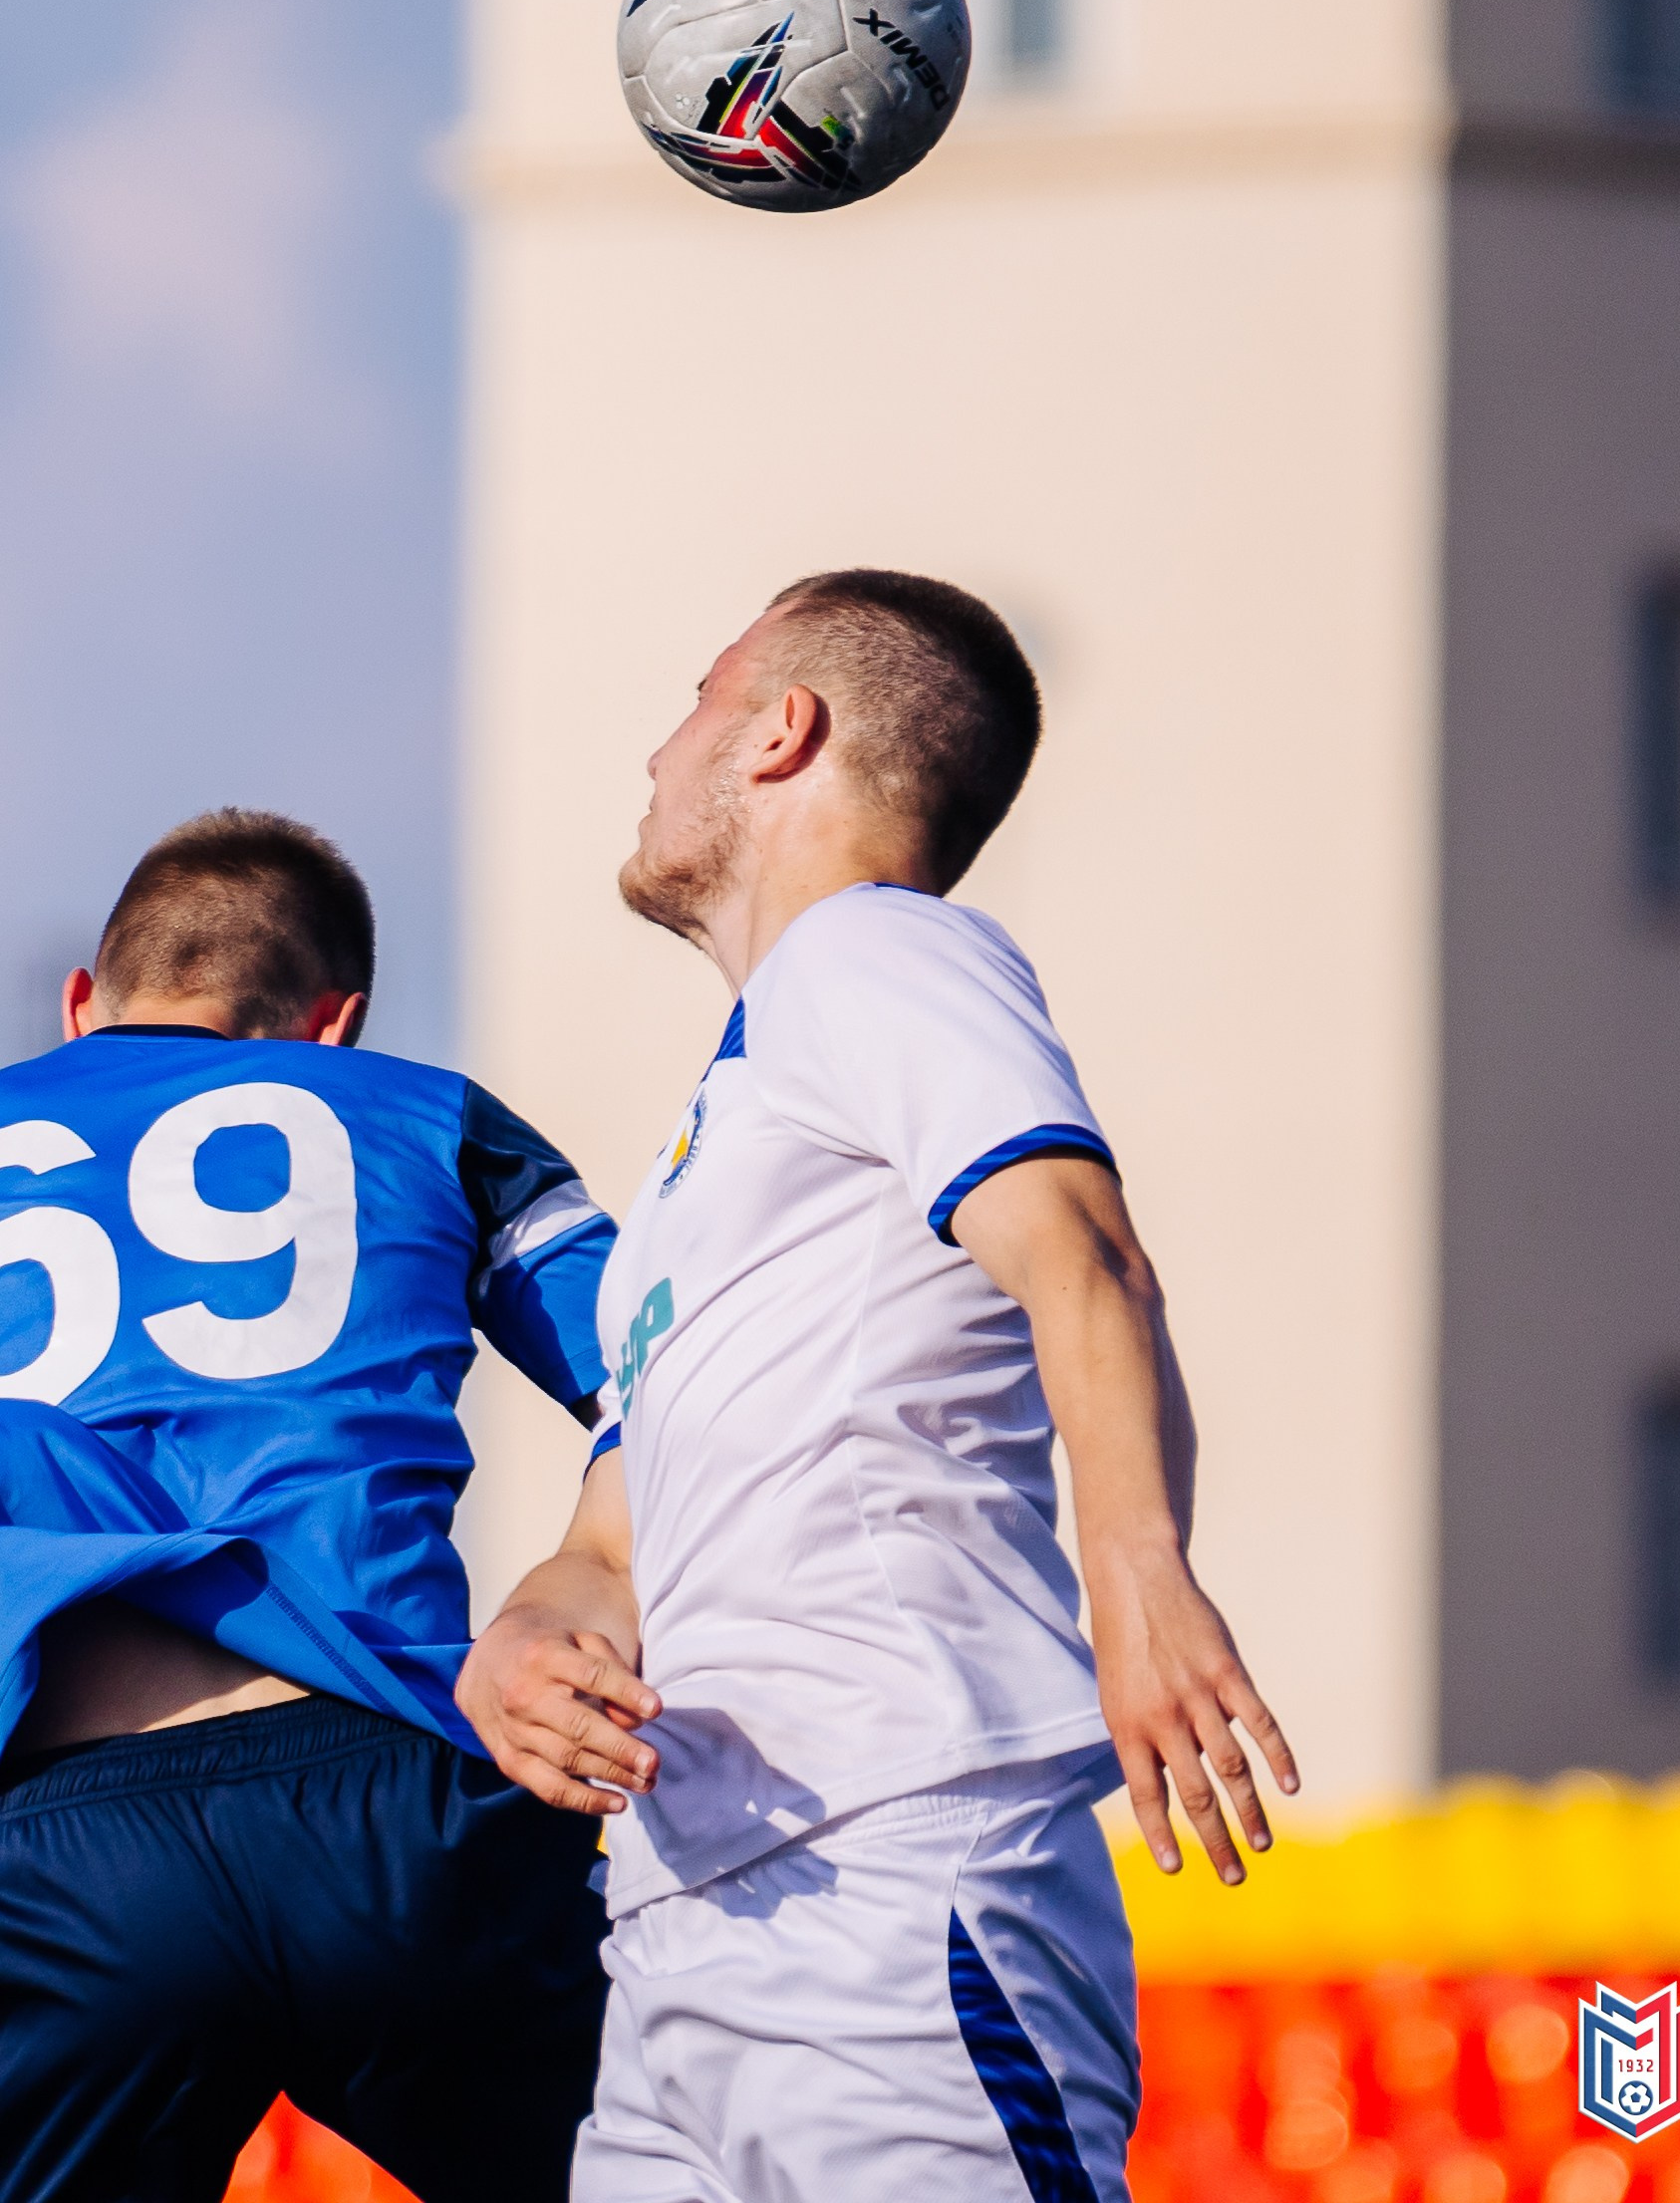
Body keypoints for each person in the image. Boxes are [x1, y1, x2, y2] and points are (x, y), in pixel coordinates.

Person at [457, 571, 1297, 2203]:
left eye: (696, 697)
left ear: (783, 732)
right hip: (688, 1925)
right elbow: (611, 1546)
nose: (654, 751)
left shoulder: (877, 952)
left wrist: (1137, 1570)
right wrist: (530, 1633)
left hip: (895, 1864)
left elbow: (1083, 1252)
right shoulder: (715, 1152)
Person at [0, 809, 620, 2203]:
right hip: (415, 1819)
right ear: (337, 1026)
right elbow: (686, 1386)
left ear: (83, 1003)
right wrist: (577, 1579)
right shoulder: (432, 1122)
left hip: (85, 1872)